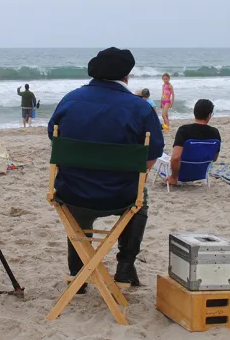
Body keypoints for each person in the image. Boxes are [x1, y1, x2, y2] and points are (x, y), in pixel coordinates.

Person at [47, 47, 165, 289]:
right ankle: (125, 267)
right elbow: (152, 155)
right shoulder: (140, 107)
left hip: (73, 191)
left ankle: (78, 272)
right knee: (139, 199)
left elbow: (54, 139)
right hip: (121, 194)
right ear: (126, 77)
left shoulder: (70, 100)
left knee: (76, 212)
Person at [165, 99, 221, 186]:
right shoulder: (215, 132)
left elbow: (175, 158)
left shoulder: (183, 130)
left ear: (194, 112)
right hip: (200, 174)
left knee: (160, 157)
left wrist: (174, 176)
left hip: (181, 174)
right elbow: (214, 158)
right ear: (209, 115)